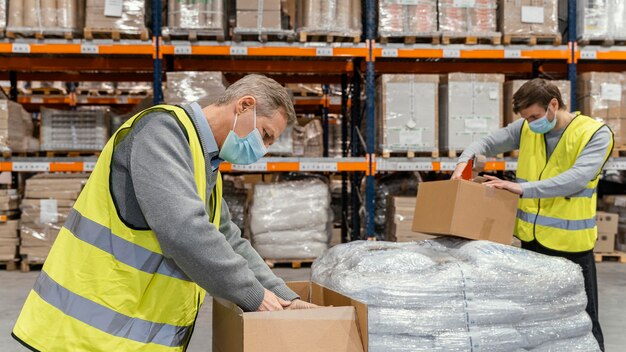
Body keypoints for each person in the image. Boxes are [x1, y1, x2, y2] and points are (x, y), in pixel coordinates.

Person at [12, 74, 317, 351]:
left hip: (128, 334)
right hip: (86, 333)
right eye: (264, 135)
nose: (261, 149)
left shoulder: (206, 161)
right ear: (244, 106)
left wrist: (284, 295)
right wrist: (255, 297)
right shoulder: (162, 133)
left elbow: (229, 240)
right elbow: (184, 233)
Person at [451, 78, 613, 351]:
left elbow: (576, 179)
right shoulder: (528, 128)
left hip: (571, 248)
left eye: (535, 116)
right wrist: (462, 165)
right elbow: (488, 142)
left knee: (583, 320)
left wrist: (520, 188)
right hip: (531, 244)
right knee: (535, 319)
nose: (531, 123)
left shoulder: (595, 134)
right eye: (526, 118)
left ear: (553, 104)